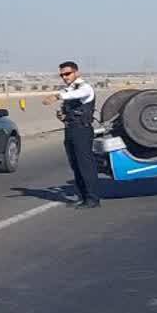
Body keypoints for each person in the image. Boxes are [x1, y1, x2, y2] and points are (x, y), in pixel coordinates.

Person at [53, 61, 101, 208]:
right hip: (70, 130)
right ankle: (82, 196)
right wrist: (63, 116)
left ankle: (93, 199)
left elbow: (79, 94)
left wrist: (57, 96)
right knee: (75, 165)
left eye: (67, 74)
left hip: (82, 130)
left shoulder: (84, 87)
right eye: (62, 75)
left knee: (85, 165)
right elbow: (68, 104)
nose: (64, 77)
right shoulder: (68, 90)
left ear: (76, 73)